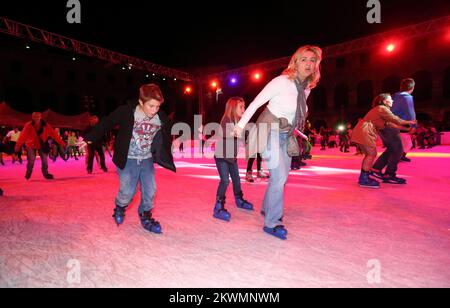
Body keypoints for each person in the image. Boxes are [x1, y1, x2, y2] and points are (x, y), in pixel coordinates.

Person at [233, 45, 322, 240]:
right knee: (279, 176)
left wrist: (300, 132)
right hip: (268, 131)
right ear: (295, 62)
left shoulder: (305, 88)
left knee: (281, 176)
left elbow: (292, 115)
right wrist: (240, 126)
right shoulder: (281, 82)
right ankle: (272, 222)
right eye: (304, 59)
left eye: (312, 60)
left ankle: (267, 207)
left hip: (286, 135)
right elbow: (256, 102)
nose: (308, 64)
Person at [84, 84, 176, 234]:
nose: (154, 110)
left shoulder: (159, 117)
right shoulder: (127, 111)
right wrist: (89, 138)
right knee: (127, 192)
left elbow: (170, 127)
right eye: (151, 106)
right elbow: (107, 122)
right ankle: (120, 206)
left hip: (146, 159)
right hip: (128, 159)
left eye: (157, 107)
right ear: (141, 102)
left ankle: (145, 216)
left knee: (150, 190)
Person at [351, 93, 416, 188]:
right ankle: (364, 179)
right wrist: (409, 122)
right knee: (371, 154)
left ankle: (365, 176)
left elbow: (389, 124)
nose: (392, 101)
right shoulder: (382, 108)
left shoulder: (380, 111)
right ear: (385, 101)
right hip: (365, 130)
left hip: (365, 130)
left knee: (371, 154)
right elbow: (395, 119)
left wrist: (406, 129)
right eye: (390, 99)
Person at [213, 97, 254, 221]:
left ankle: (239, 199)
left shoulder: (240, 121)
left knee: (236, 180)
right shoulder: (227, 120)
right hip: (221, 157)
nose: (244, 109)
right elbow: (227, 133)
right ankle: (218, 206)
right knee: (225, 181)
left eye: (244, 106)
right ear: (233, 108)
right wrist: (238, 130)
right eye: (241, 107)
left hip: (232, 157)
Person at [15, 112, 66, 180]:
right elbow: (23, 135)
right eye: (35, 117)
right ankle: (28, 172)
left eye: (38, 116)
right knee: (31, 159)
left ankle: (46, 174)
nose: (36, 118)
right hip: (31, 145)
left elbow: (54, 134)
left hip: (42, 144)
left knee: (44, 160)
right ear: (32, 117)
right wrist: (18, 145)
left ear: (40, 117)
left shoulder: (46, 125)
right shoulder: (29, 125)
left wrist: (61, 143)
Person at [391, 78, 417, 162]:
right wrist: (413, 125)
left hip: (393, 123)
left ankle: (399, 156)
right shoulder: (407, 97)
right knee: (408, 144)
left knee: (401, 143)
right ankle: (397, 157)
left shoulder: (394, 96)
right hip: (402, 124)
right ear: (412, 87)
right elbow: (410, 112)